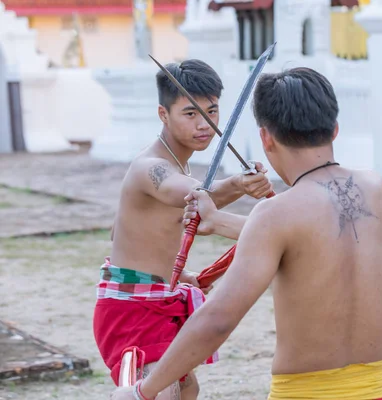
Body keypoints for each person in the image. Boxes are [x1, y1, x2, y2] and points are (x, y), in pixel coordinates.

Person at [110, 67, 382, 400]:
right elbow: (310, 239)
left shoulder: (275, 216)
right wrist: (218, 221)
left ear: (266, 138)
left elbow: (217, 319)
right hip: (380, 392)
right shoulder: (376, 189)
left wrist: (143, 392)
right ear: (335, 129)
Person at [94, 59, 274, 400]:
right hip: (130, 310)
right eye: (190, 113)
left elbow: (197, 198)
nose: (204, 123)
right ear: (164, 114)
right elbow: (190, 193)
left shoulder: (178, 162)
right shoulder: (152, 168)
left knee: (187, 388)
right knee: (163, 392)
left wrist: (239, 183)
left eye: (211, 111)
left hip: (158, 295)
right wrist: (238, 185)